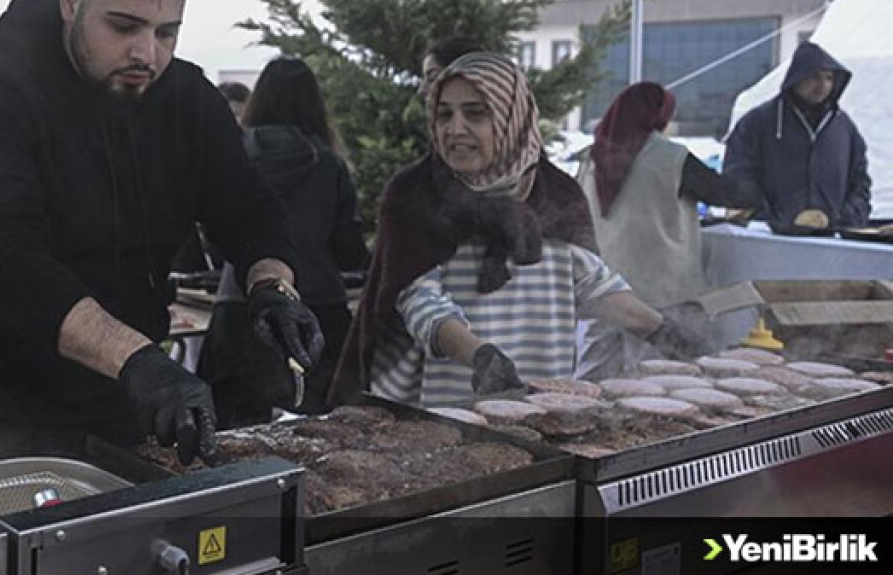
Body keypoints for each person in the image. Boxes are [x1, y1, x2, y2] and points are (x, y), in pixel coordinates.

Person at [0, 0, 322, 466]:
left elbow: (248, 207)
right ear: (73, 0)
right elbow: (6, 257)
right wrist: (140, 360)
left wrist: (273, 287)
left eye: (166, 32)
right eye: (123, 26)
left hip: (119, 398)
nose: (146, 54)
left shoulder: (186, 99)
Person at [331, 53, 707, 406]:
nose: (454, 129)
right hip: (441, 406)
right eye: (444, 115)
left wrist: (662, 330)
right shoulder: (416, 193)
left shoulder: (555, 191)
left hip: (541, 397)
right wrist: (480, 357)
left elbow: (592, 284)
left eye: (475, 114)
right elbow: (417, 301)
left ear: (512, 117)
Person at [199, 58, 369, 425]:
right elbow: (348, 251)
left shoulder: (235, 154)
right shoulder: (329, 165)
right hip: (320, 311)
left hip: (239, 308)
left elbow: (216, 240)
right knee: (320, 442)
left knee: (229, 441)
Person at [575, 83, 763, 376]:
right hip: (661, 294)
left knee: (595, 379)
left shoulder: (590, 156)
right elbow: (725, 194)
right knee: (657, 384)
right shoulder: (669, 157)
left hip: (605, 290)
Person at [724, 41, 870, 228]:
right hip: (770, 241)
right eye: (814, 77)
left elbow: (860, 182)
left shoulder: (843, 128)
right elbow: (739, 176)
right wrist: (768, 220)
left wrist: (845, 220)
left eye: (828, 78)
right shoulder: (758, 123)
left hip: (832, 241)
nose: (822, 85)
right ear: (797, 77)